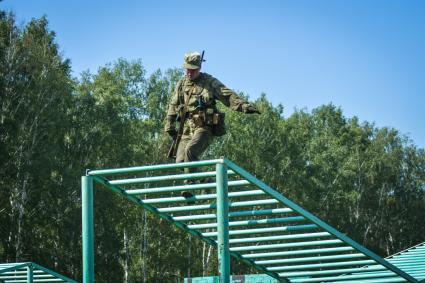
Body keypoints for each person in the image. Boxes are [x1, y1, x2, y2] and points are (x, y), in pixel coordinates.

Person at [164, 51, 260, 192]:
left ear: (199, 68)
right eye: (187, 69)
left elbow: (228, 95)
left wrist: (244, 106)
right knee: (181, 162)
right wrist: (169, 123)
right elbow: (173, 104)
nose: (189, 72)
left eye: (193, 69)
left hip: (204, 128)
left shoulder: (210, 82)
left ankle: (189, 186)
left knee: (191, 150)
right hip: (186, 129)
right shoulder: (182, 84)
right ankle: (206, 180)